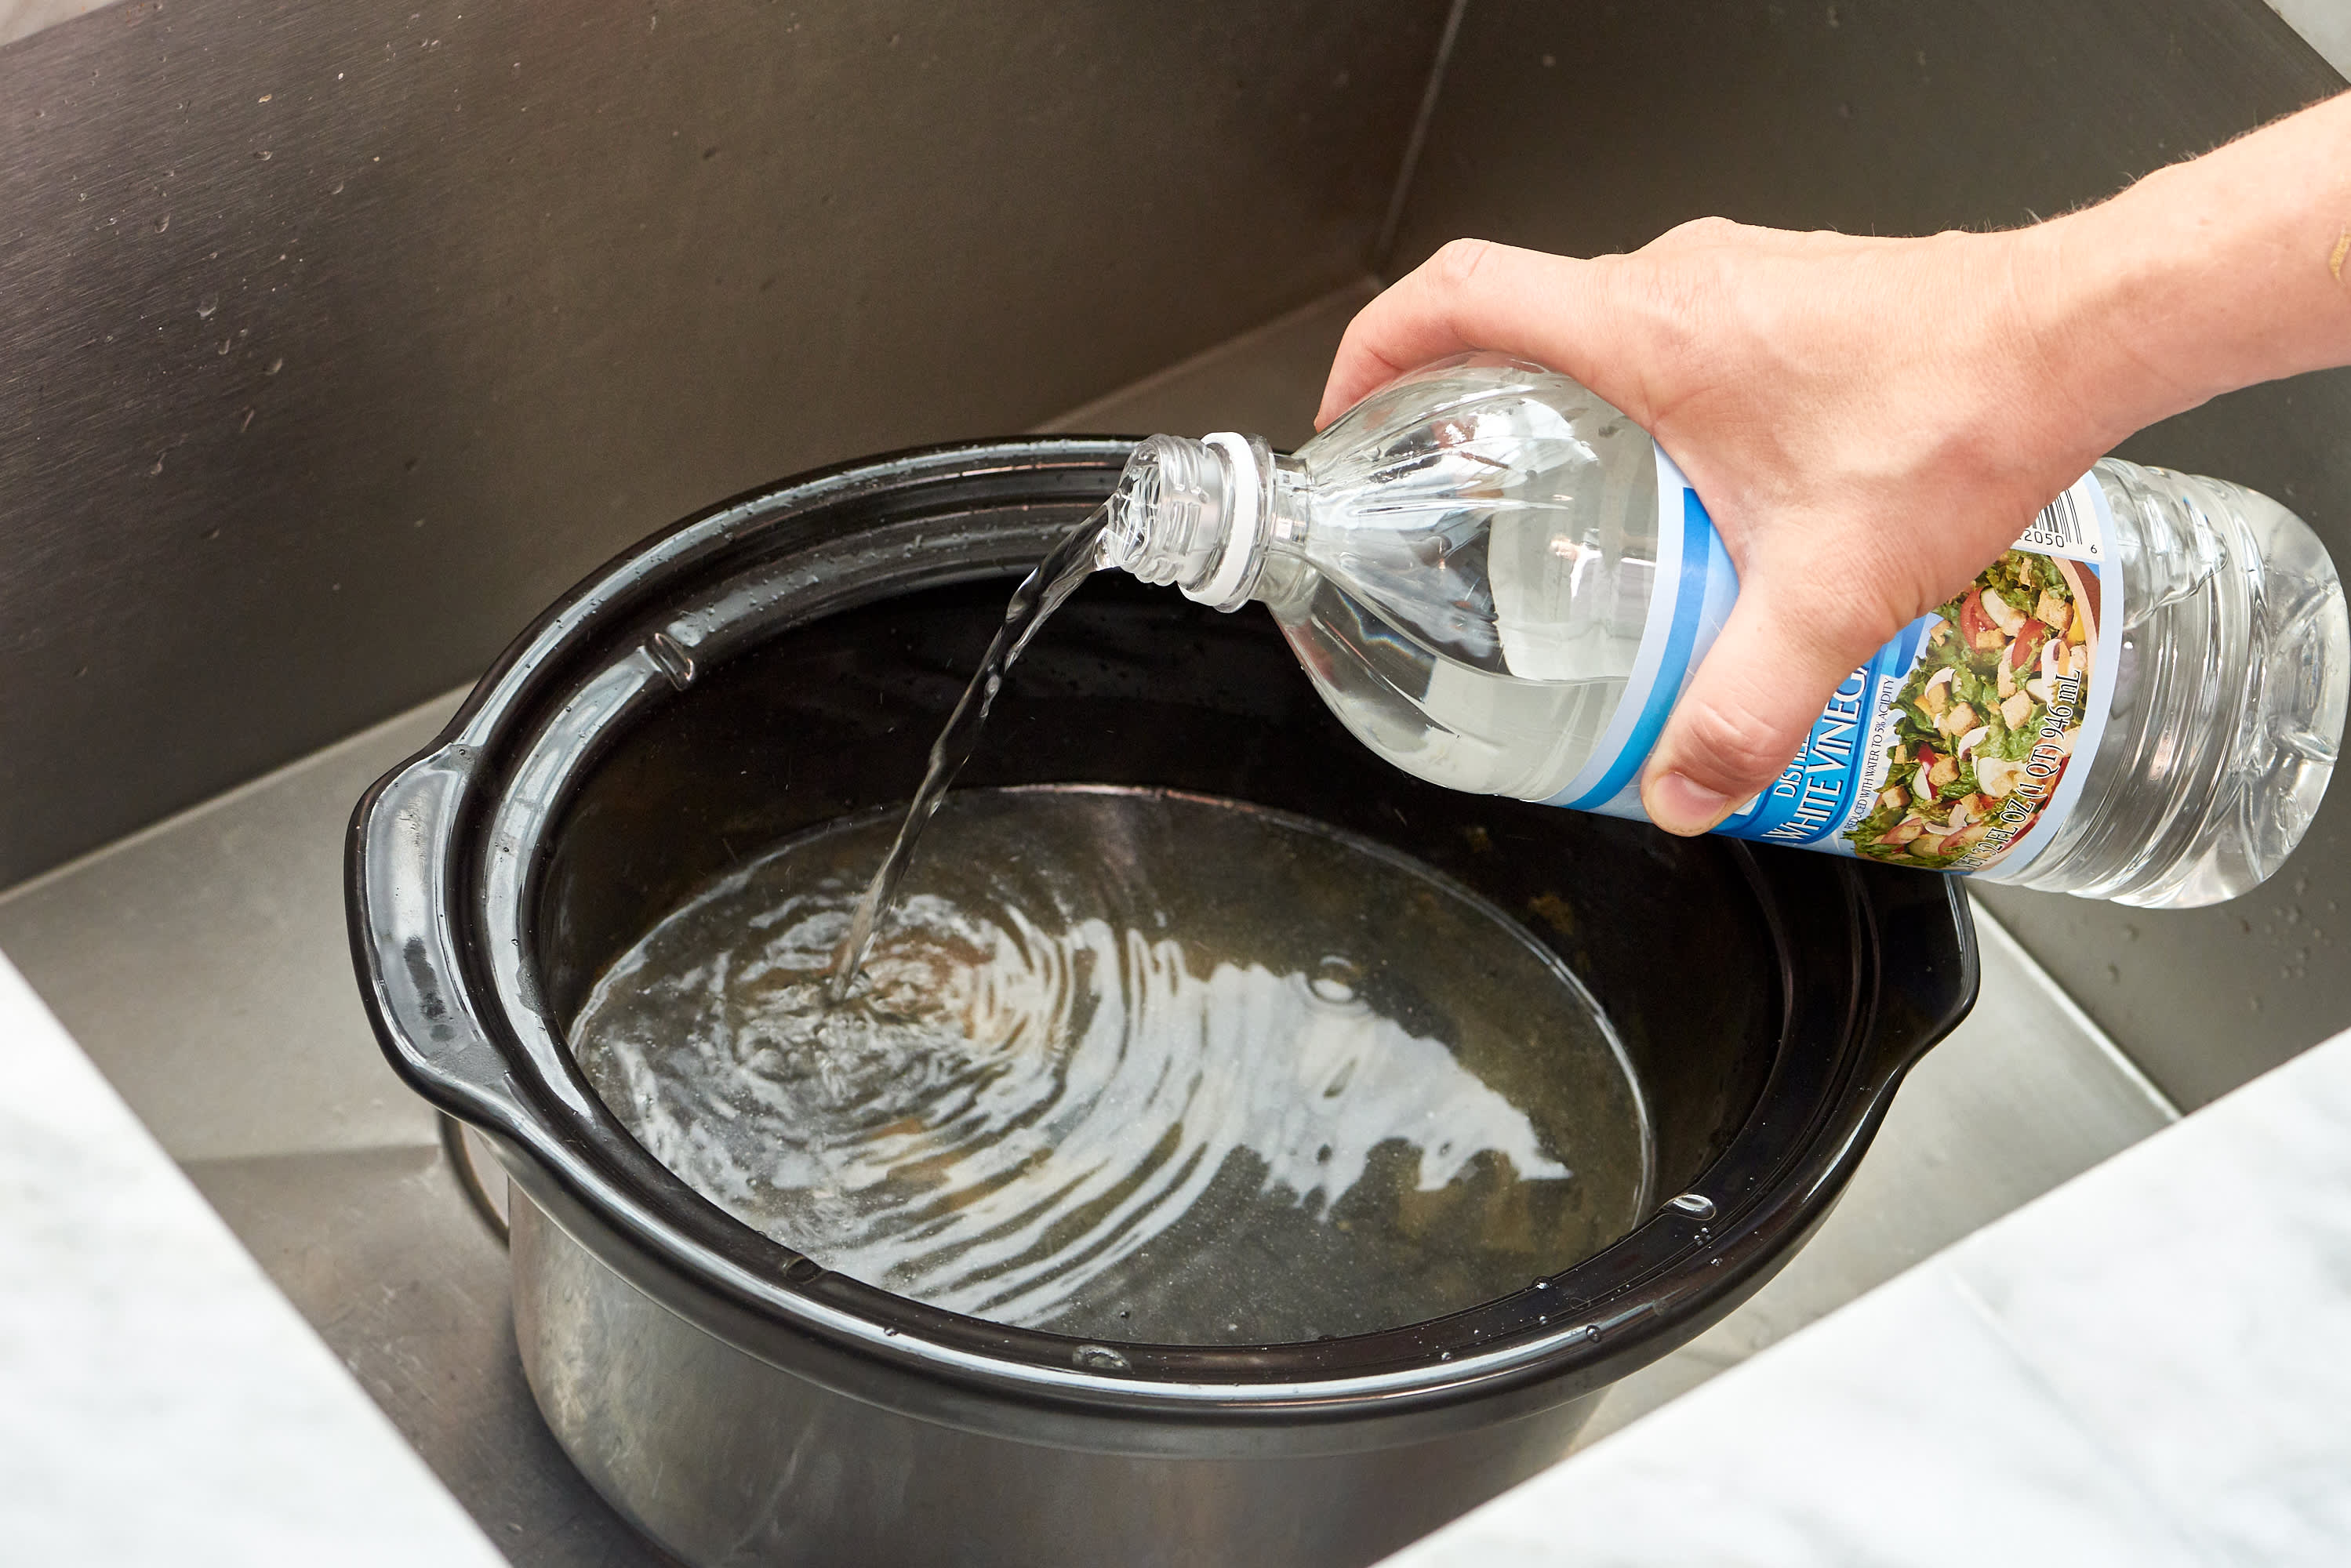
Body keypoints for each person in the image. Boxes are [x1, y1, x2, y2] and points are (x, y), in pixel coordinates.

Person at [1317, 90, 2351, 838]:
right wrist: (2032, 322)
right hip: (2162, 770)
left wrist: (2032, 327)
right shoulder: (1352, 648)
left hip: (2205, 667)